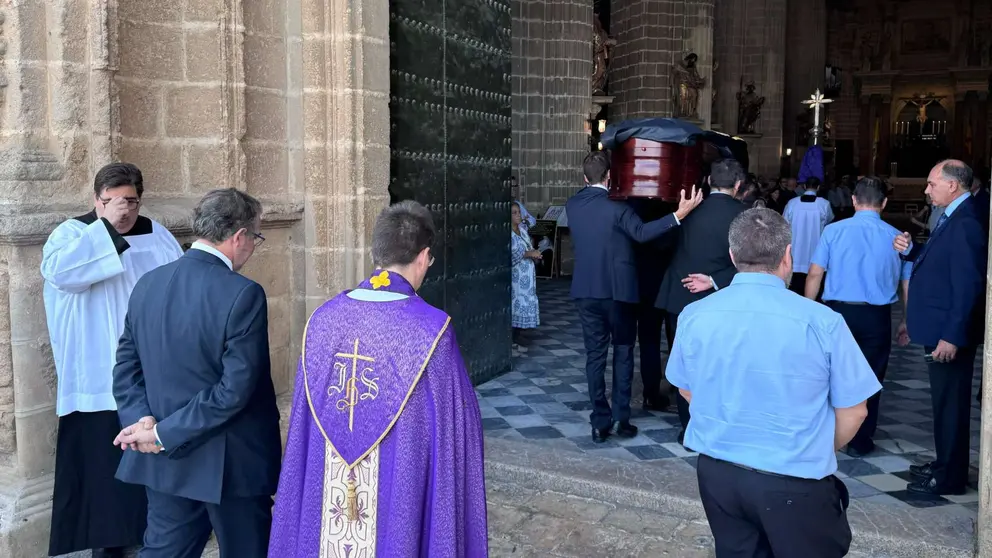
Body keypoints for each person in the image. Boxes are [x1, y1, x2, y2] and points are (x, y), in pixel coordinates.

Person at [268, 200, 488, 557]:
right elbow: (456, 426)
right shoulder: (431, 329)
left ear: (377, 254)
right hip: (399, 486)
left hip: (331, 488)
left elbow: (304, 429)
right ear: (424, 256)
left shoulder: (322, 320)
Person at [667, 208, 881, 557]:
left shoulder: (694, 314)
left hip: (718, 474)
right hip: (794, 478)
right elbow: (855, 411)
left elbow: (686, 388)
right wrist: (815, 448)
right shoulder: (822, 321)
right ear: (787, 255)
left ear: (733, 256)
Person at [112, 188, 282, 557]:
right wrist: (160, 434)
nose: (253, 246)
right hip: (230, 464)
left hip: (164, 459)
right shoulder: (243, 293)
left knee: (165, 552)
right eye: (255, 237)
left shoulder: (148, 284)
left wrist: (146, 425)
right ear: (238, 237)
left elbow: (126, 366)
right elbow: (234, 391)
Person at [41, 163, 183, 558]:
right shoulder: (71, 234)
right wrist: (106, 228)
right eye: (110, 202)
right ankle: (107, 546)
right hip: (96, 375)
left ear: (141, 198)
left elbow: (178, 287)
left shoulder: (158, 235)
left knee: (150, 467)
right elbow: (61, 274)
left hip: (150, 373)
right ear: (96, 200)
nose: (122, 210)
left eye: (130, 202)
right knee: (104, 472)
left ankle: (152, 537)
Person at [567, 151, 702, 443]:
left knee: (595, 357)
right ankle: (621, 419)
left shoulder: (573, 204)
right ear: (609, 178)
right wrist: (678, 215)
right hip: (618, 293)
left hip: (585, 292)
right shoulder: (618, 208)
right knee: (624, 353)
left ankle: (599, 422)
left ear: (584, 178)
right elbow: (641, 233)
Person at [893, 160, 987, 496]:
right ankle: (945, 463)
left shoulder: (967, 223)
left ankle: (950, 477)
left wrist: (951, 335)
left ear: (953, 185)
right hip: (940, 328)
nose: (926, 189)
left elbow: (968, 285)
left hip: (948, 334)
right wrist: (913, 251)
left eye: (932, 184)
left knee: (951, 406)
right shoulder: (955, 216)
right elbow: (943, 263)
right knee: (943, 404)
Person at [805, 177, 911, 457]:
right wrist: (905, 319)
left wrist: (807, 310)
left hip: (838, 313)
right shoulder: (898, 237)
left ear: (853, 200)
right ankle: (860, 440)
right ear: (884, 203)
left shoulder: (833, 231)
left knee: (829, 374)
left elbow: (816, 273)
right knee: (872, 377)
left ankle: (829, 435)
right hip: (877, 316)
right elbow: (905, 284)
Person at [655, 159, 747, 442]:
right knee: (722, 366)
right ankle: (718, 428)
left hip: (680, 296)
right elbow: (753, 262)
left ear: (708, 181)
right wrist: (715, 279)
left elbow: (661, 247)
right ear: (739, 185)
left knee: (686, 364)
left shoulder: (686, 212)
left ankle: (688, 427)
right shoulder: (745, 216)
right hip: (724, 301)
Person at [783, 176, 834, 296]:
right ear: (818, 187)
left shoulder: (792, 203)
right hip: (815, 250)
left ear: (804, 186)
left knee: (794, 289)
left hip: (795, 250)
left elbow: (784, 222)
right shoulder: (824, 204)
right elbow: (829, 220)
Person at [511, 201, 541, 344]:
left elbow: (528, 247)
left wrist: (535, 254)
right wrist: (529, 253)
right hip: (516, 277)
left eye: (519, 212)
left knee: (526, 302)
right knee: (517, 304)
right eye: (514, 213)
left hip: (527, 276)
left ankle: (521, 337)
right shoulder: (509, 235)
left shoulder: (522, 231)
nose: (518, 216)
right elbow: (511, 255)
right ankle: (515, 339)